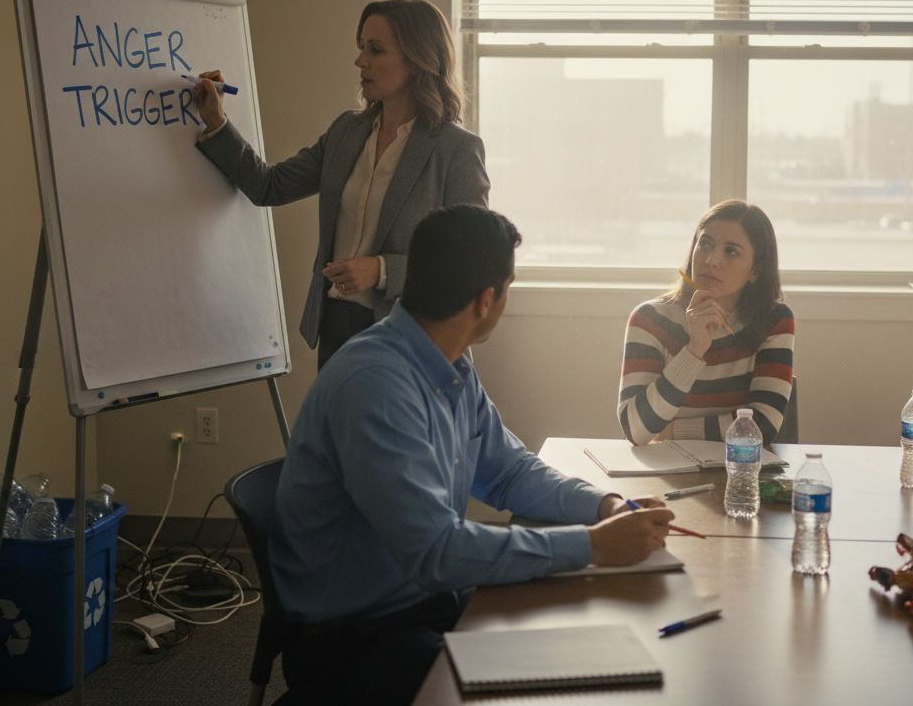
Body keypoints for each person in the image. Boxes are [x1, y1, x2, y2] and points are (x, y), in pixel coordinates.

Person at [269, 204, 675, 705]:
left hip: (421, 602)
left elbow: (509, 472)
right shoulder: (374, 386)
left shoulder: (449, 361)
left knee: (571, 640)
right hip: (355, 637)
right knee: (553, 683)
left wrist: (605, 506)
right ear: (487, 300)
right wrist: (593, 547)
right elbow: (436, 553)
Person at [192, 0, 490, 368]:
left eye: (375, 49)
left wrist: (381, 270)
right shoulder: (347, 132)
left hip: (411, 337)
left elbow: (470, 261)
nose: (360, 61)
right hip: (336, 327)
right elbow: (268, 186)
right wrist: (216, 121)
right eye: (361, 47)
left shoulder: (456, 149)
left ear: (417, 60)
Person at [618, 200, 796, 445]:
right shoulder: (649, 319)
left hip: (738, 465)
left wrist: (674, 432)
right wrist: (694, 351)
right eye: (705, 244)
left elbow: (763, 424)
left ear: (756, 270)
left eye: (731, 251)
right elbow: (636, 430)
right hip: (667, 467)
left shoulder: (774, 320)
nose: (712, 260)